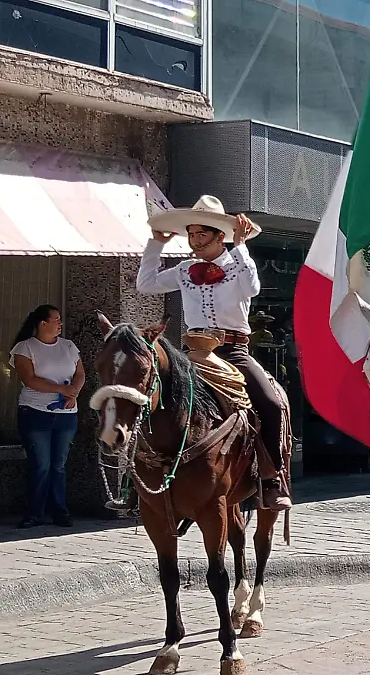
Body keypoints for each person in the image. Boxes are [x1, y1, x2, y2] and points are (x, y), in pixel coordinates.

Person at [137, 195, 291, 511]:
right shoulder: (185, 270)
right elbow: (146, 284)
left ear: (220, 236)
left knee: (272, 404)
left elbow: (252, 289)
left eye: (201, 234)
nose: (194, 241)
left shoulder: (238, 265)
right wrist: (156, 245)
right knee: (149, 396)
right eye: (191, 234)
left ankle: (271, 478)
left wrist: (242, 246)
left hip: (233, 351)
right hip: (192, 353)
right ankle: (141, 476)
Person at [10, 305, 85, 528]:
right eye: (56, 319)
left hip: (66, 415)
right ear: (43, 323)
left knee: (59, 465)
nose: (60, 323)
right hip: (35, 413)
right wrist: (62, 390)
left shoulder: (69, 346)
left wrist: (74, 392)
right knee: (41, 464)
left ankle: (60, 512)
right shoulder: (25, 348)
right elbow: (30, 379)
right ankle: (34, 513)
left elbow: (80, 373)